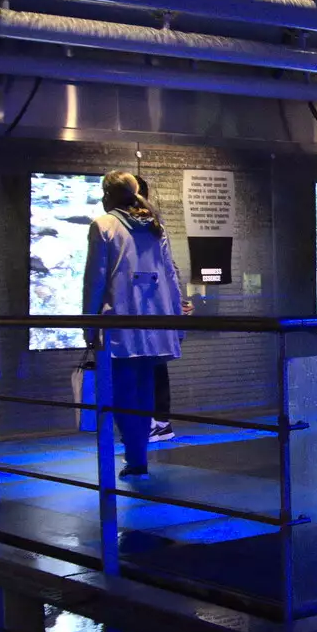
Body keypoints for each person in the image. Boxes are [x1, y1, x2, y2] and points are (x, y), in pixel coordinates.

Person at [83, 171, 183, 478]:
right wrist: (176, 322)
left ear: (107, 194)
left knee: (122, 395)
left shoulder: (103, 226)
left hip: (120, 326)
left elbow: (95, 280)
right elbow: (170, 275)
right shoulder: (155, 227)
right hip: (155, 325)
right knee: (144, 392)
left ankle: (135, 457)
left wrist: (87, 325)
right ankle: (138, 457)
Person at [133, 175, 191, 443]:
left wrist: (178, 304)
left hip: (142, 309)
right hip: (153, 308)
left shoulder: (125, 226)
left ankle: (155, 423)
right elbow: (170, 269)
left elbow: (168, 268)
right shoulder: (155, 226)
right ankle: (157, 422)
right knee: (153, 364)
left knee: (149, 365)